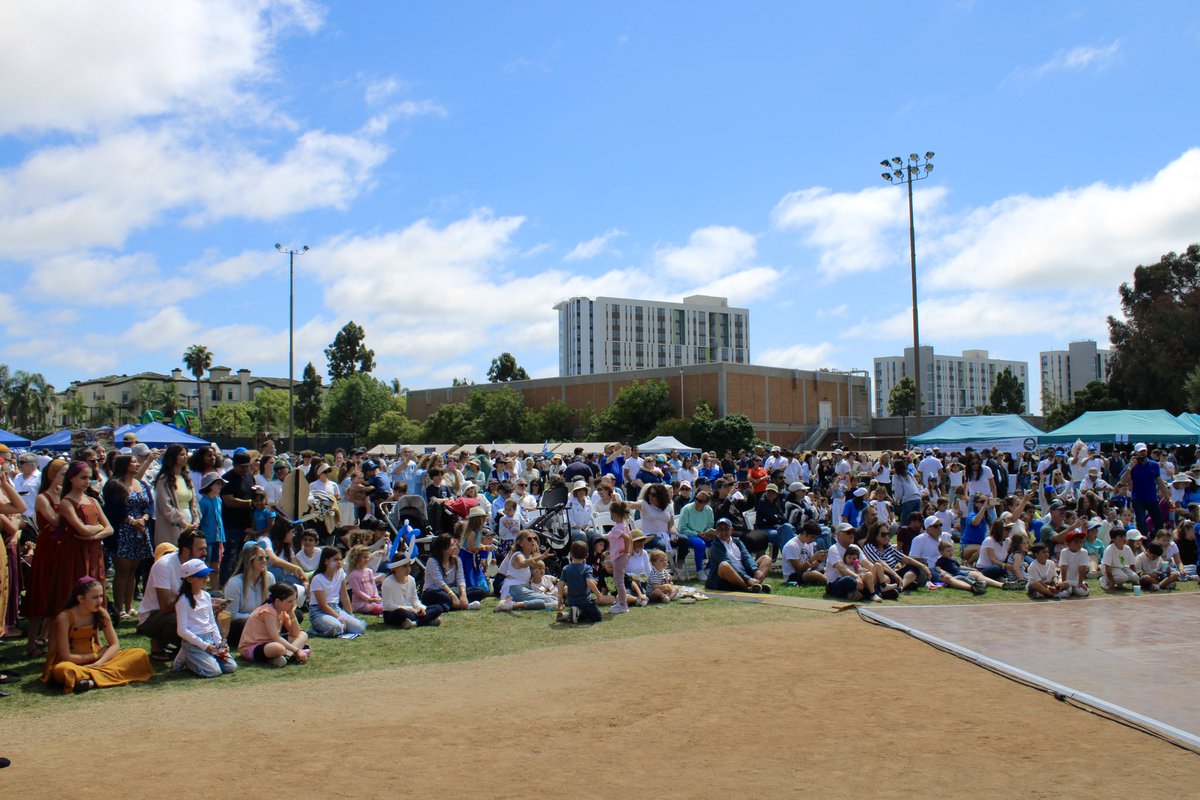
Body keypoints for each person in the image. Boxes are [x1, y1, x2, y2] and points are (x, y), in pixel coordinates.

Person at [42, 576, 152, 693]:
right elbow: (66, 656)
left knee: (140, 654)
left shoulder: (101, 613)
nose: (99, 601)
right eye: (94, 597)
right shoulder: (64, 618)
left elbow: (115, 645)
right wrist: (95, 656)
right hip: (73, 663)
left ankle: (89, 681)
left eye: (101, 596)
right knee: (63, 670)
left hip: (98, 660)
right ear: (80, 598)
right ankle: (94, 677)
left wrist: (99, 662)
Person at [175, 558, 237, 678]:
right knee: (213, 672)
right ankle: (187, 657)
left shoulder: (206, 596)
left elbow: (211, 621)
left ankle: (194, 658)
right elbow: (182, 630)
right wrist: (205, 646)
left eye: (206, 575)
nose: (205, 579)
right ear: (189, 579)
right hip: (195, 641)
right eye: (201, 576)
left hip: (210, 638)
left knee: (230, 667)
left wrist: (219, 643)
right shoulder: (183, 600)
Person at [237, 583, 310, 668]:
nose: (293, 604)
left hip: (270, 643)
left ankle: (287, 656)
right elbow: (276, 638)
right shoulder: (267, 611)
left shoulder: (282, 611)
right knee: (278, 648)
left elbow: (295, 633)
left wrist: (292, 614)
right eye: (289, 601)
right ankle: (291, 654)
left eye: (294, 600)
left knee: (303, 635)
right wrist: (297, 650)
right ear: (278, 601)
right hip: (254, 647)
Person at [223, 541, 275, 646]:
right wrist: (256, 617)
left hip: (264, 621)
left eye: (266, 557)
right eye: (260, 558)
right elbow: (231, 616)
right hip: (243, 624)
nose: (264, 561)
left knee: (296, 614)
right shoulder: (235, 583)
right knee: (242, 624)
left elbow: (273, 605)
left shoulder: (269, 578)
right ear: (249, 560)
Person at [308, 547, 368, 637]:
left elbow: (344, 596)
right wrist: (339, 618)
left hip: (336, 608)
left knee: (360, 628)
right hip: (319, 611)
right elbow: (323, 605)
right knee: (337, 628)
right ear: (326, 561)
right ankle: (315, 629)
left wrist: (350, 615)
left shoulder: (340, 573)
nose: (339, 562)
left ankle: (335, 623)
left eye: (340, 559)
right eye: (336, 559)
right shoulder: (318, 579)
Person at [421, 533, 488, 611]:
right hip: (437, 591)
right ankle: (462, 605)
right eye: (452, 545)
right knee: (440, 595)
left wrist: (463, 594)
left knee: (480, 591)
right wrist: (453, 596)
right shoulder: (432, 561)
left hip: (454, 590)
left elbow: (460, 579)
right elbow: (439, 582)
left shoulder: (456, 560)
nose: (455, 547)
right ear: (443, 549)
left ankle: (452, 605)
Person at [705, 518, 772, 593]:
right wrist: (748, 579)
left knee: (766, 558)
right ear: (716, 531)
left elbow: (746, 556)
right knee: (724, 565)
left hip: (743, 572)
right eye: (720, 529)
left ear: (732, 530)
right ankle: (747, 588)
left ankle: (756, 585)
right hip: (725, 578)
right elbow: (730, 564)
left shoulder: (737, 542)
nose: (723, 532)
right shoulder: (715, 546)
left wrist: (755, 570)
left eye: (726, 529)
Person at [154, 445, 199, 549]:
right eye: (182, 454)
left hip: (189, 526)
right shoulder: (164, 479)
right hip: (171, 528)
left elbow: (194, 503)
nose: (185, 457)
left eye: (186, 454)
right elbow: (166, 506)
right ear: (173, 457)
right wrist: (183, 523)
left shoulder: (187, 478)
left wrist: (195, 521)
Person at [381, 557, 443, 628]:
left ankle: (415, 623)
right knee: (401, 613)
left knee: (438, 608)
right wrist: (411, 610)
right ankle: (427, 620)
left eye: (409, 565)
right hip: (394, 612)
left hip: (412, 611)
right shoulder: (388, 582)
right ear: (395, 568)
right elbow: (388, 605)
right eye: (404, 566)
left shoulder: (411, 580)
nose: (408, 569)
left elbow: (415, 600)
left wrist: (420, 608)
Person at [558, 540, 603, 623]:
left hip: (571, 601)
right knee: (597, 616)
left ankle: (569, 614)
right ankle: (577, 613)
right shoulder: (587, 568)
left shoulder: (566, 568)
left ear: (571, 554)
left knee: (582, 612)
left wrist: (559, 599)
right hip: (585, 601)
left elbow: (561, 584)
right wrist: (598, 594)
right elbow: (589, 581)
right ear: (587, 555)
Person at [605, 500, 634, 613]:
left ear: (615, 515)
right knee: (619, 580)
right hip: (622, 556)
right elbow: (630, 538)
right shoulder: (625, 525)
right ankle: (621, 603)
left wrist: (626, 550)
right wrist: (629, 552)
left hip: (619, 557)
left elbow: (627, 538)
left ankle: (622, 604)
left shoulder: (617, 528)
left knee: (619, 581)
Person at [781, 521, 827, 586]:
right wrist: (812, 559)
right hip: (792, 576)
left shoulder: (809, 544)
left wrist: (819, 560)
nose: (813, 540)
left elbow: (811, 567)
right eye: (812, 537)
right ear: (805, 533)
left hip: (806, 572)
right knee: (813, 574)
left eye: (815, 537)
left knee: (827, 569)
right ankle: (829, 582)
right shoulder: (791, 545)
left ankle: (827, 579)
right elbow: (799, 569)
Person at [346, 544, 383, 615]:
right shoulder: (353, 574)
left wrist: (375, 596)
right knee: (379, 609)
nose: (367, 559)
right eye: (364, 557)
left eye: (367, 557)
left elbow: (373, 586)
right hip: (361, 603)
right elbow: (357, 591)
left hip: (372, 600)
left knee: (385, 605)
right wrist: (369, 599)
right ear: (357, 559)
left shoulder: (369, 571)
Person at [1057, 529, 1091, 597]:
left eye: (1081, 542)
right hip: (1066, 580)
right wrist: (1064, 582)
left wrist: (1080, 582)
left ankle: (1073, 589)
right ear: (1068, 543)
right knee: (1064, 594)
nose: (1079, 544)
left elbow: (1082, 568)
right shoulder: (1064, 552)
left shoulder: (1084, 552)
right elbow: (1064, 568)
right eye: (1076, 542)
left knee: (1084, 592)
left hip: (1077, 581)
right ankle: (1069, 589)